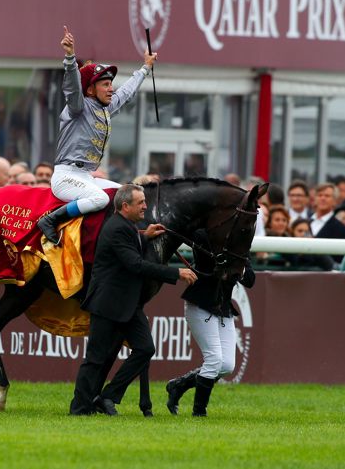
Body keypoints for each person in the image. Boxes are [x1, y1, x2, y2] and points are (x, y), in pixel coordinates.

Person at [69, 184, 197, 416]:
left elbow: (130, 248)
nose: (145, 207)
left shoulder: (126, 226)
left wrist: (145, 236)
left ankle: (108, 396)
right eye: (140, 203)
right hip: (107, 303)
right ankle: (78, 409)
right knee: (95, 359)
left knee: (145, 349)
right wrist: (175, 273)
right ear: (125, 206)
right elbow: (134, 264)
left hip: (127, 304)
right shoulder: (118, 228)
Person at [38, 25, 158, 245]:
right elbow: (73, 87)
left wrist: (145, 68)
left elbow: (126, 93)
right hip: (65, 177)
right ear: (91, 90)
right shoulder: (77, 106)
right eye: (105, 84)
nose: (111, 88)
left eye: (111, 83)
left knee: (126, 194)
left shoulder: (105, 109)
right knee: (100, 198)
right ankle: (50, 220)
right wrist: (70, 56)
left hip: (86, 177)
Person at [166, 228, 255, 417]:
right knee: (214, 360)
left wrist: (241, 262)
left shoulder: (240, 245)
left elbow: (250, 280)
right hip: (200, 303)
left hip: (222, 307)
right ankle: (199, 413)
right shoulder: (204, 235)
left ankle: (178, 385)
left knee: (227, 366)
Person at [311, 183, 345, 262]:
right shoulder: (304, 222)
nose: (323, 198)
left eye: (327, 196)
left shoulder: (341, 229)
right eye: (320, 195)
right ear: (314, 199)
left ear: (335, 201)